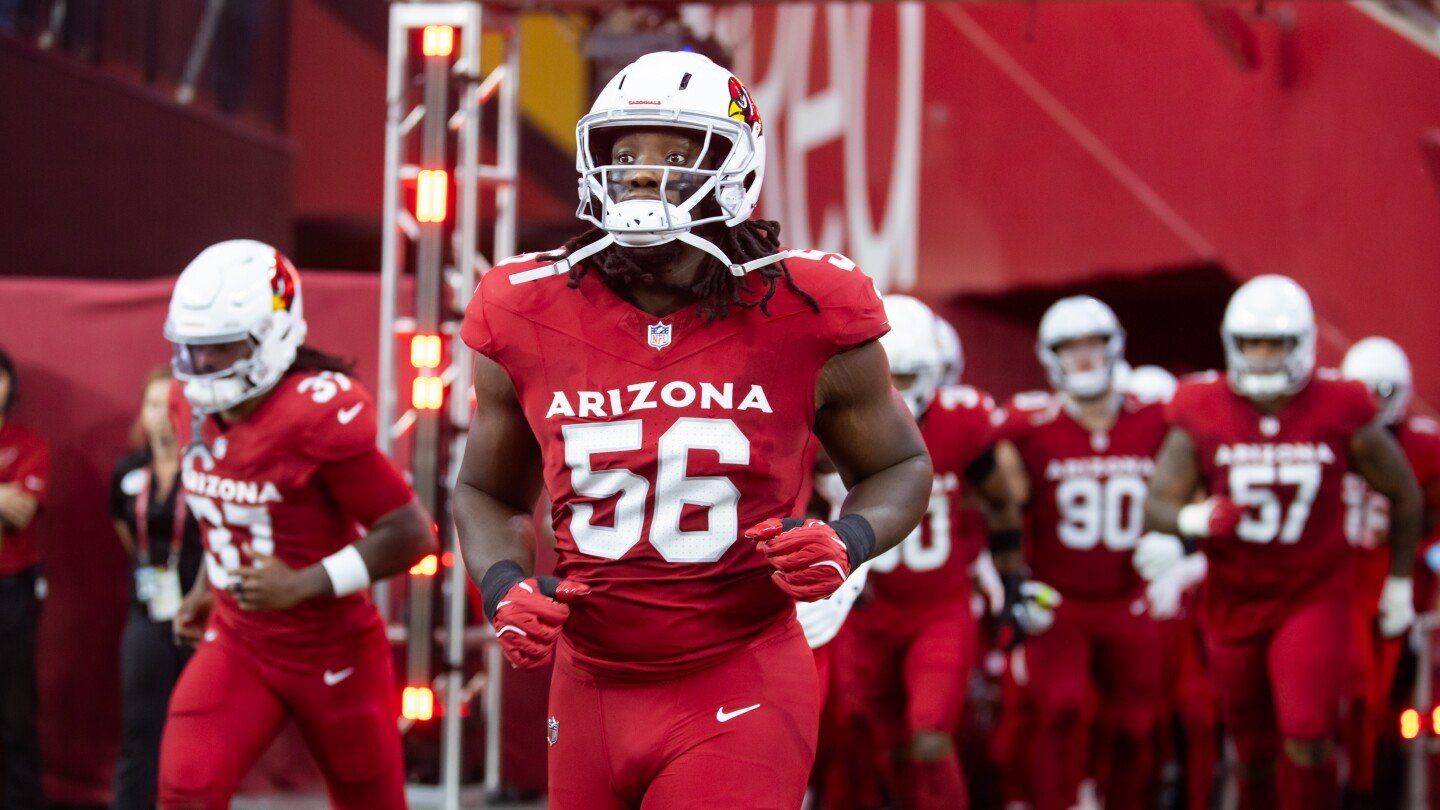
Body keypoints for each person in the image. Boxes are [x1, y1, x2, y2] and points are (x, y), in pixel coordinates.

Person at [452, 51, 933, 809]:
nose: (642, 173)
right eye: (624, 151)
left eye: (676, 152)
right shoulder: (524, 306)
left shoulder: (805, 306)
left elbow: (901, 464)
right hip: (589, 686)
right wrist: (503, 585)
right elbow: (484, 488)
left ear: (735, 167)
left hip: (738, 670)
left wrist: (852, 539)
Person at [156, 239, 437, 808]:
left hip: (332, 648)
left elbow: (411, 535)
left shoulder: (314, 413)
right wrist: (206, 587)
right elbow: (229, 514)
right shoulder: (188, 407)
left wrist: (300, 583)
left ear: (272, 333)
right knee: (185, 791)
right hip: (240, 639)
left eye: (220, 347)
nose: (201, 364)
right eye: (194, 347)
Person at [1141, 275, 1423, 810]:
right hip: (1232, 598)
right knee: (1251, 750)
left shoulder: (1340, 404)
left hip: (1311, 590)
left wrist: (1399, 584)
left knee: (1309, 729)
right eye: (1252, 344)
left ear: (1303, 344)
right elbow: (1158, 503)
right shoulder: (1201, 405)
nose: (1263, 356)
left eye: (1275, 344)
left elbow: (1404, 492)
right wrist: (1195, 517)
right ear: (1232, 343)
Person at [834, 294, 1019, 810]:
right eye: (883, 377)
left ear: (935, 373)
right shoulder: (833, 421)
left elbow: (1002, 506)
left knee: (931, 737)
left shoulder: (963, 421)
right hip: (866, 611)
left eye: (907, 378)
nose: (893, 392)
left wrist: (1012, 584)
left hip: (940, 608)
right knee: (888, 744)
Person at [992, 296, 1165, 810]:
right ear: (1052, 358)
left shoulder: (1157, 418)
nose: (1085, 359)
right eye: (1072, 349)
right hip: (1058, 597)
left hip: (1130, 596)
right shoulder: (1027, 425)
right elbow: (987, 484)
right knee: (1060, 710)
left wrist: (1182, 542)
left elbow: (1191, 481)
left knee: (1135, 727)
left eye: (1093, 346)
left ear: (1114, 349)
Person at [1338, 336, 1440, 804]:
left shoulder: (1423, 447)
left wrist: (1426, 562)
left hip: (1397, 592)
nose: (1374, 404)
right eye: (1364, 392)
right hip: (1336, 587)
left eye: (1382, 391)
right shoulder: (1328, 435)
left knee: (1389, 709)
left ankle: (1374, 792)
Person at [110, 367, 204, 810]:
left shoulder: (206, 467)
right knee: (141, 724)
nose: (162, 415)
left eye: (171, 404)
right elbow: (125, 529)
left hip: (202, 613)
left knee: (200, 726)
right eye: (152, 405)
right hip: (147, 609)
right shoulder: (128, 471)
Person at [0, 347, 48, 810]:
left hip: (12, 590)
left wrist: (8, 503)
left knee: (16, 712)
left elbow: (21, 511)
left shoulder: (29, 444)